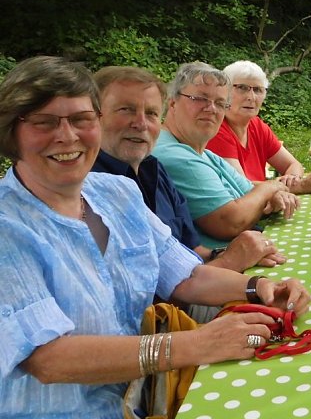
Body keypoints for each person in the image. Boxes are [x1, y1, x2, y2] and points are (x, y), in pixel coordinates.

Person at [0, 56, 311, 419]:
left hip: (145, 407)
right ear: (12, 133)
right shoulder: (8, 228)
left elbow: (187, 275)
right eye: (44, 122)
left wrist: (259, 285)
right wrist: (194, 346)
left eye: (81, 119)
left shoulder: (116, 192)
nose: (67, 136)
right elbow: (47, 359)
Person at [92, 66, 285, 271]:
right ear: (93, 116)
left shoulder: (152, 168)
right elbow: (230, 222)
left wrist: (225, 255)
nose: (141, 123)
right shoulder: (94, 186)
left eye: (151, 113)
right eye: (126, 109)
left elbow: (187, 250)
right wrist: (231, 262)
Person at [152, 62, 298, 249]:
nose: (211, 108)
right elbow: (230, 222)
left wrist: (267, 196)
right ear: (172, 103)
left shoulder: (203, 153)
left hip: (247, 251)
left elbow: (249, 192)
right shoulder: (173, 154)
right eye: (200, 98)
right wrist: (270, 188)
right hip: (218, 267)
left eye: (220, 103)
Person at [206, 60, 311, 193]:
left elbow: (293, 164)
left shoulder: (256, 126)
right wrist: (302, 186)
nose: (252, 97)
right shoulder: (216, 130)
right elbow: (241, 188)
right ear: (224, 92)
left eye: (258, 90)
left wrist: (292, 179)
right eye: (242, 88)